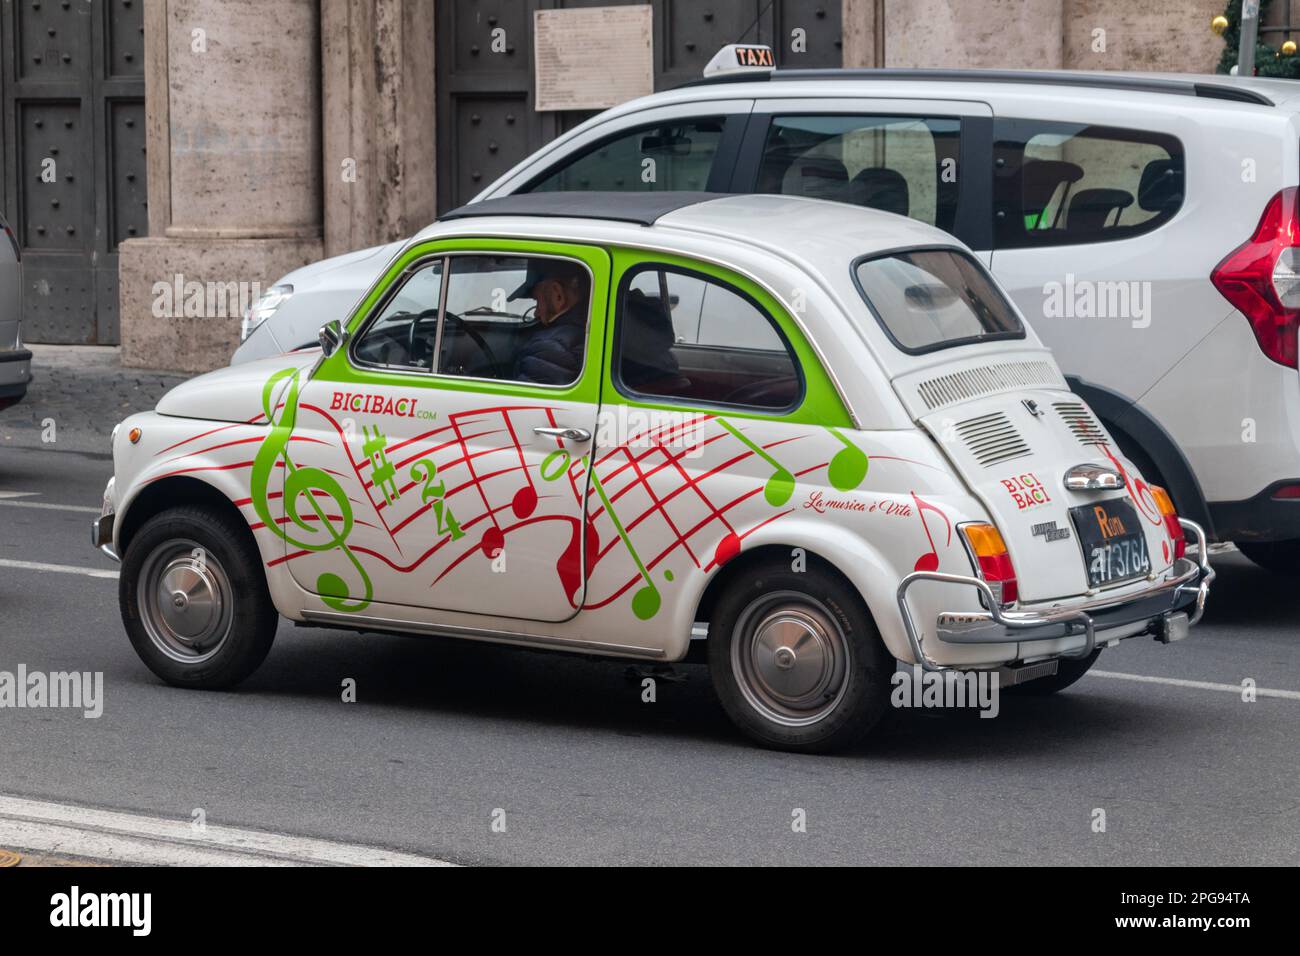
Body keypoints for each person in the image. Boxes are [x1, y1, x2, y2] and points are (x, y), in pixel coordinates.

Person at [508, 261, 590, 385]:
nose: (536, 313)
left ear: (558, 295)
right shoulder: (585, 331)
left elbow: (522, 402)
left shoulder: (549, 349)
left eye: (537, 300)